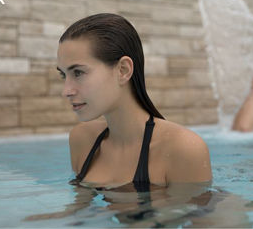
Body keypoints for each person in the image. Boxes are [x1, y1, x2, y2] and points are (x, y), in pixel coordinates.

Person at [56, 13, 211, 191]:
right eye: (63, 75)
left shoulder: (183, 149)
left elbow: (199, 217)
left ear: (123, 70)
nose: (66, 91)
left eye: (78, 73)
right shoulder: (82, 140)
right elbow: (81, 213)